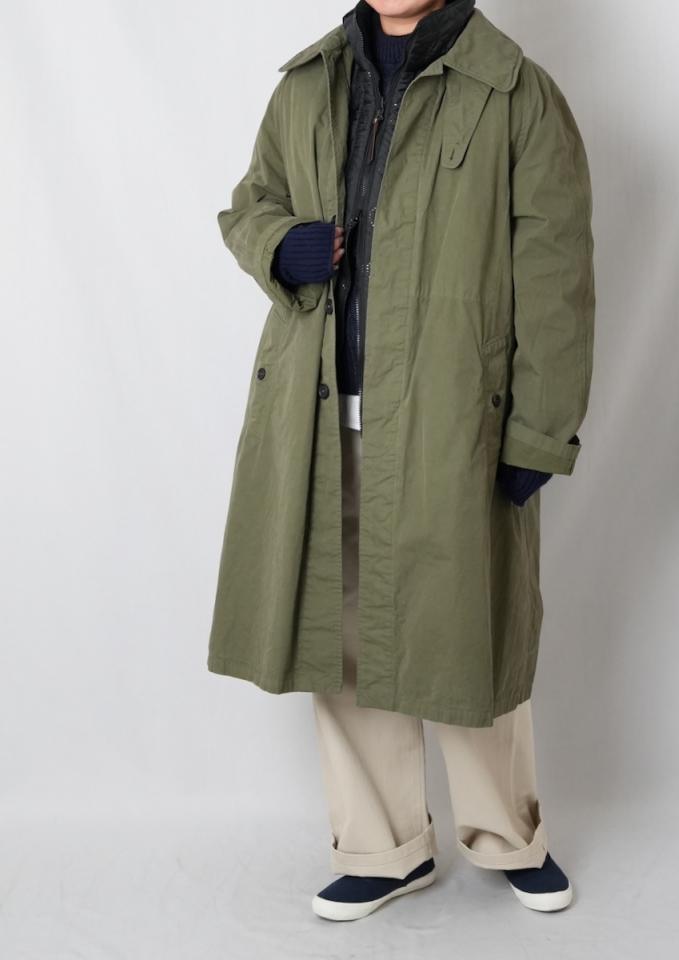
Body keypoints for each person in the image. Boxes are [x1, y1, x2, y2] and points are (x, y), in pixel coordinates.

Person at [209, 0, 595, 922]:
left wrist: (540, 432)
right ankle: (382, 848)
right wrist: (279, 247)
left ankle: (508, 834)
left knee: (469, 630)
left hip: (453, 422)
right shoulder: (307, 86)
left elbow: (557, 278)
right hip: (316, 412)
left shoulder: (517, 94)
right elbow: (250, 204)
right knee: (341, 633)